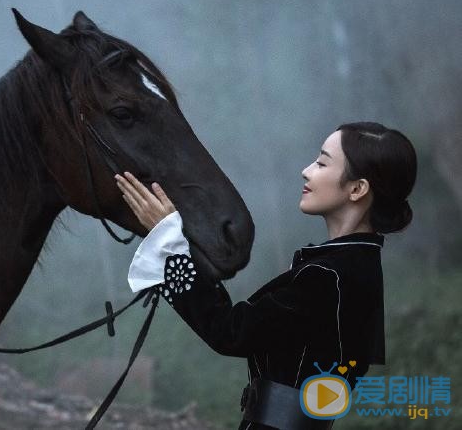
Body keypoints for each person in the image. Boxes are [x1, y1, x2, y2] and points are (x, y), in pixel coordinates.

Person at [115, 122, 417, 430]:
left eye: (322, 162)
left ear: (357, 189)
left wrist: (167, 242)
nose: (306, 170)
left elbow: (229, 332)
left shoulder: (328, 276)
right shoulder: (355, 266)